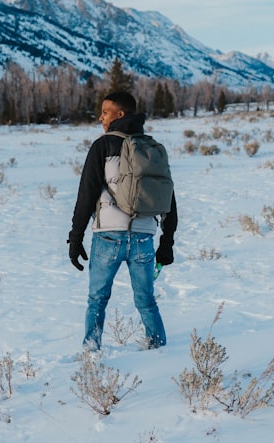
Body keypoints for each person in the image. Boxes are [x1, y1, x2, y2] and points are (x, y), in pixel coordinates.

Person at [67, 91, 177, 351]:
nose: (100, 117)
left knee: (97, 299)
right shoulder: (151, 149)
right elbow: (168, 198)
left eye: (105, 112)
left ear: (120, 115)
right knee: (146, 300)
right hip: (143, 237)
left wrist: (75, 237)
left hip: (108, 236)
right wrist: (167, 242)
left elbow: (87, 195)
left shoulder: (102, 146)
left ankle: (91, 351)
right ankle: (159, 349)